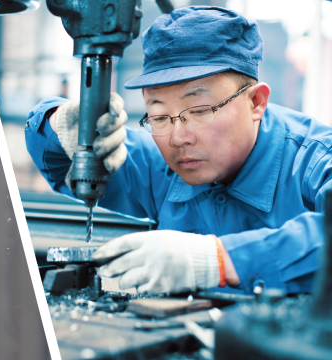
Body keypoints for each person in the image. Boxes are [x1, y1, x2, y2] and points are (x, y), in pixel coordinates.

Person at [25, 7, 332, 295]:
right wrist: (60, 122)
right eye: (159, 116)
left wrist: (220, 260)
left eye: (199, 111)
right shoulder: (162, 164)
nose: (177, 138)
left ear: (255, 103)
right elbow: (59, 158)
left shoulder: (314, 159)